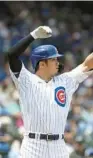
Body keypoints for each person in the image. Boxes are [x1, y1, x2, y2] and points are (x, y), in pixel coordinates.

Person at [6, 25, 93, 158]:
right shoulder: (26, 80)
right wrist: (33, 35)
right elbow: (12, 55)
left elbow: (87, 64)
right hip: (33, 147)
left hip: (59, 147)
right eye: (53, 59)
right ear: (41, 64)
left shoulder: (65, 81)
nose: (57, 62)